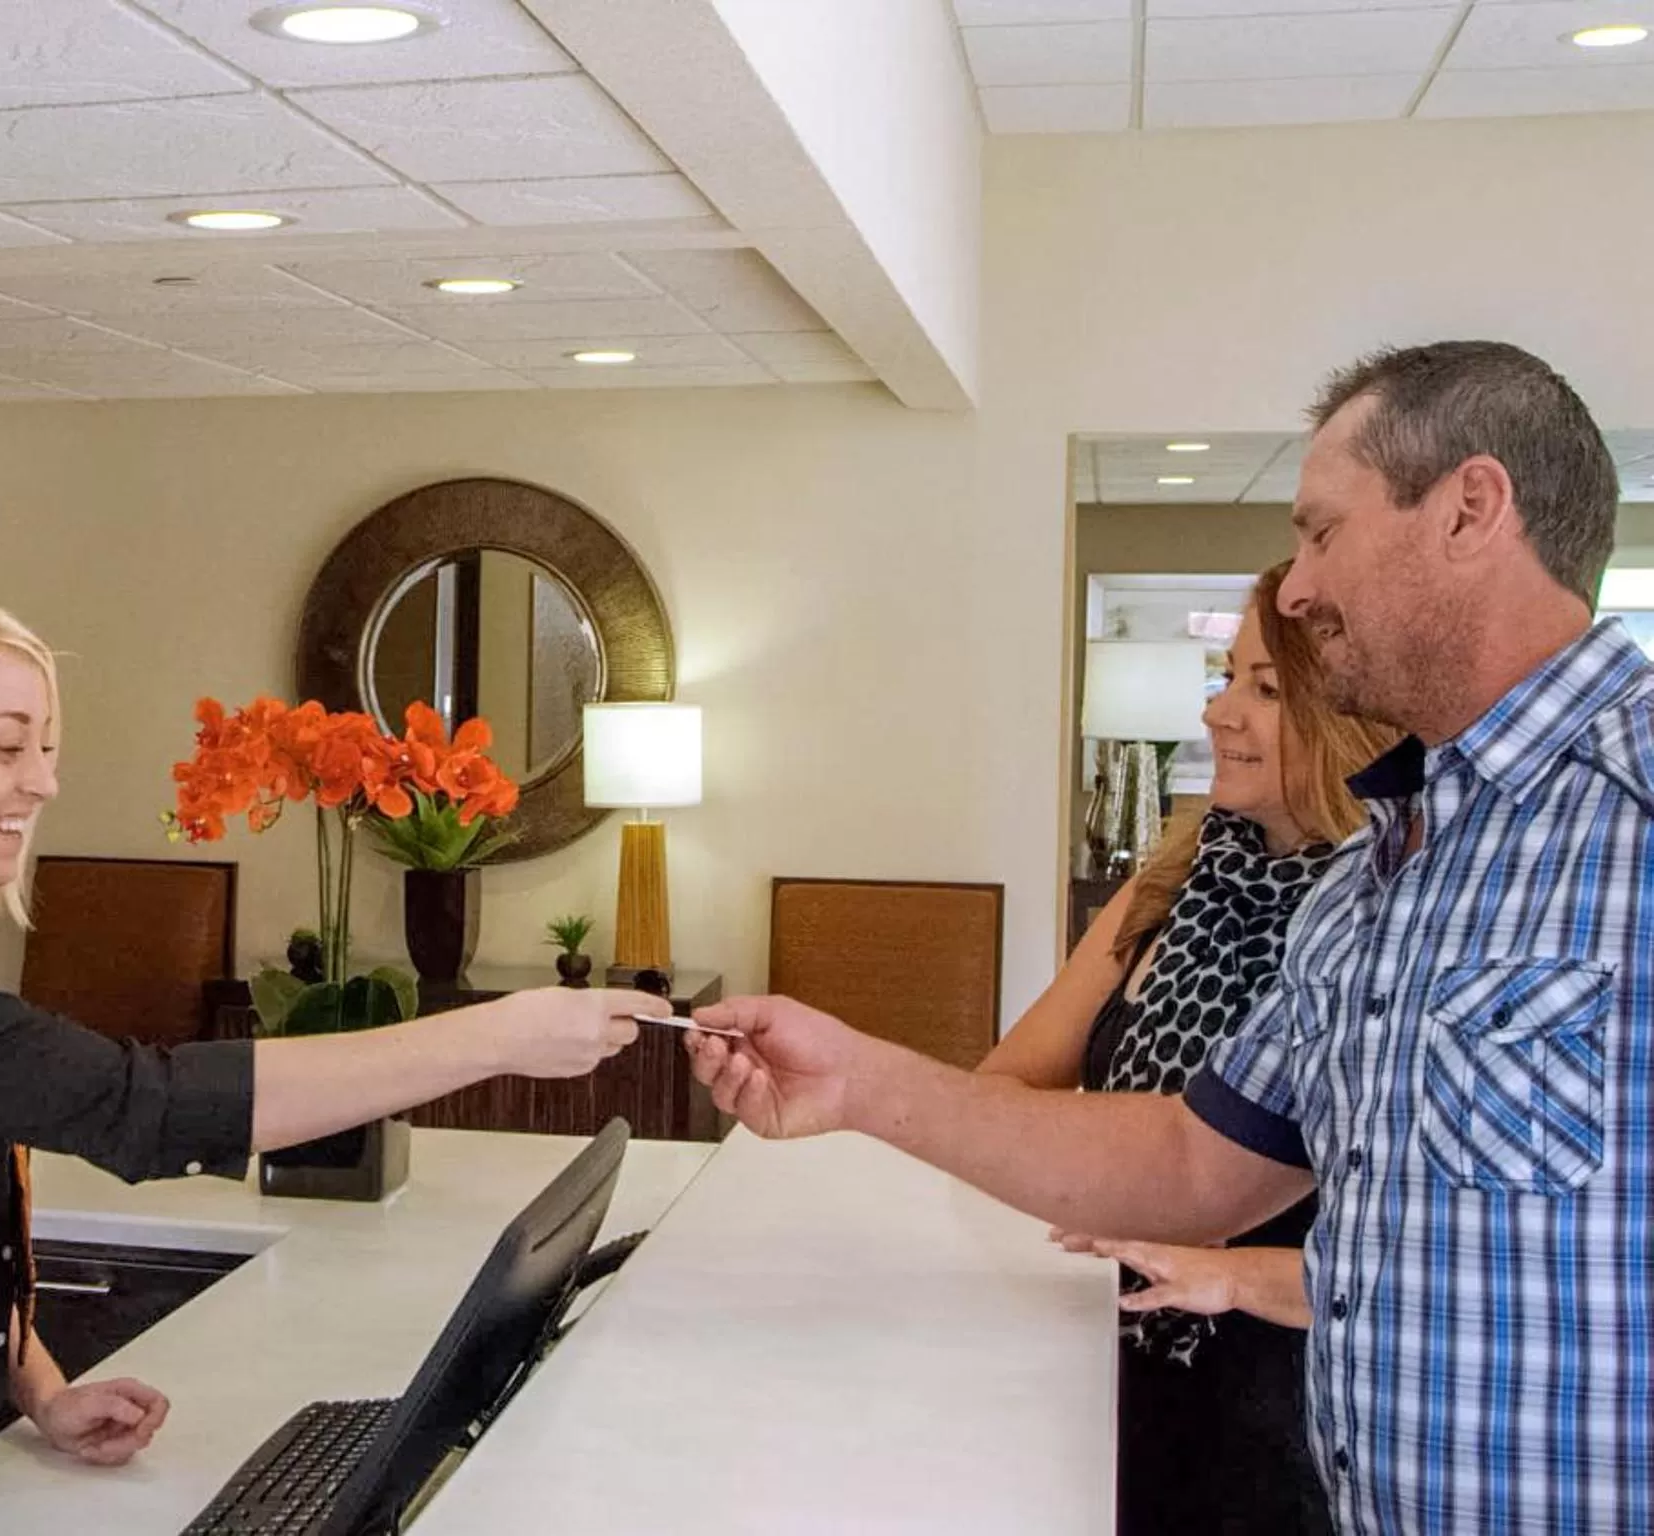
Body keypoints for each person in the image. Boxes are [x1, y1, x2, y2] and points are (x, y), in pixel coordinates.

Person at [686, 341, 1650, 1535]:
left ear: (1469, 510)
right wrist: (857, 1080)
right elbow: (1194, 1171)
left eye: (1322, 533)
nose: (1296, 589)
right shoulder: (1376, 877)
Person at [0, 593, 651, 1536]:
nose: (41, 780)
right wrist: (496, 1038)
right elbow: (141, 1107)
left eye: (46, 747)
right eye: (7, 747)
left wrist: (40, 1388)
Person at [983, 561, 1396, 1534]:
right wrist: (1111, 1169)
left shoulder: (1391, 924)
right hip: (1108, 1354)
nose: (1217, 713)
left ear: (1352, 716)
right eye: (1224, 677)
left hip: (1289, 1416)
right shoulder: (1168, 882)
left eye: (1263, 688)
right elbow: (1008, 1079)